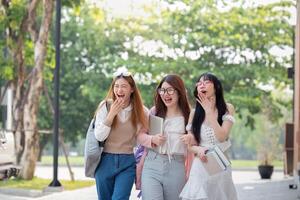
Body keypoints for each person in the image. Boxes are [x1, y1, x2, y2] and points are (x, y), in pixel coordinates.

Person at [93, 68, 153, 200]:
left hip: (127, 162)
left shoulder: (141, 111)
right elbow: (99, 136)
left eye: (124, 86)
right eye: (116, 86)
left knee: (120, 198)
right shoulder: (105, 106)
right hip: (105, 161)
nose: (119, 90)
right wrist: (111, 115)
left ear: (132, 89)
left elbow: (142, 138)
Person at [180, 72, 238, 200]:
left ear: (216, 87)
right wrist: (199, 149)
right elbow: (190, 146)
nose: (202, 85)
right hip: (201, 164)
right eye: (199, 83)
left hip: (221, 164)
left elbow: (222, 136)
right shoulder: (194, 113)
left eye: (206, 82)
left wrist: (209, 112)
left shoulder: (228, 108)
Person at [141, 74, 192, 200]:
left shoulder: (189, 115)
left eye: (170, 90)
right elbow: (140, 135)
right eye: (162, 90)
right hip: (152, 163)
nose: (165, 94)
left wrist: (191, 138)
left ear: (179, 92)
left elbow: (198, 142)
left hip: (176, 166)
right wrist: (152, 139)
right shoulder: (154, 112)